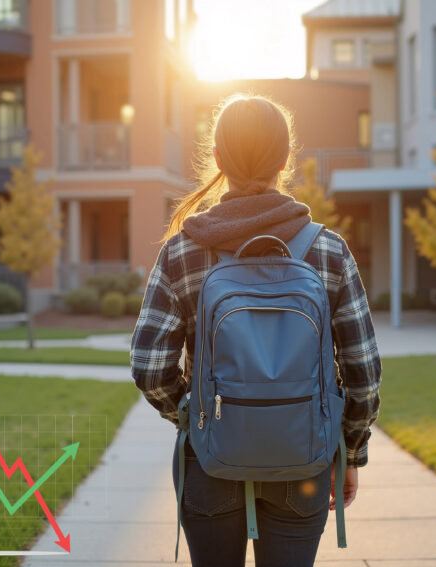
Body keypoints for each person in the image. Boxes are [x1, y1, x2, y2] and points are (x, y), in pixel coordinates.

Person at [131, 93, 382, 567]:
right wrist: (349, 450)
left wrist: (194, 415)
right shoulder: (328, 251)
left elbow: (149, 367)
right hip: (303, 459)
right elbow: (363, 372)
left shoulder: (183, 251)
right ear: (287, 158)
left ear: (219, 158)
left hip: (210, 461)